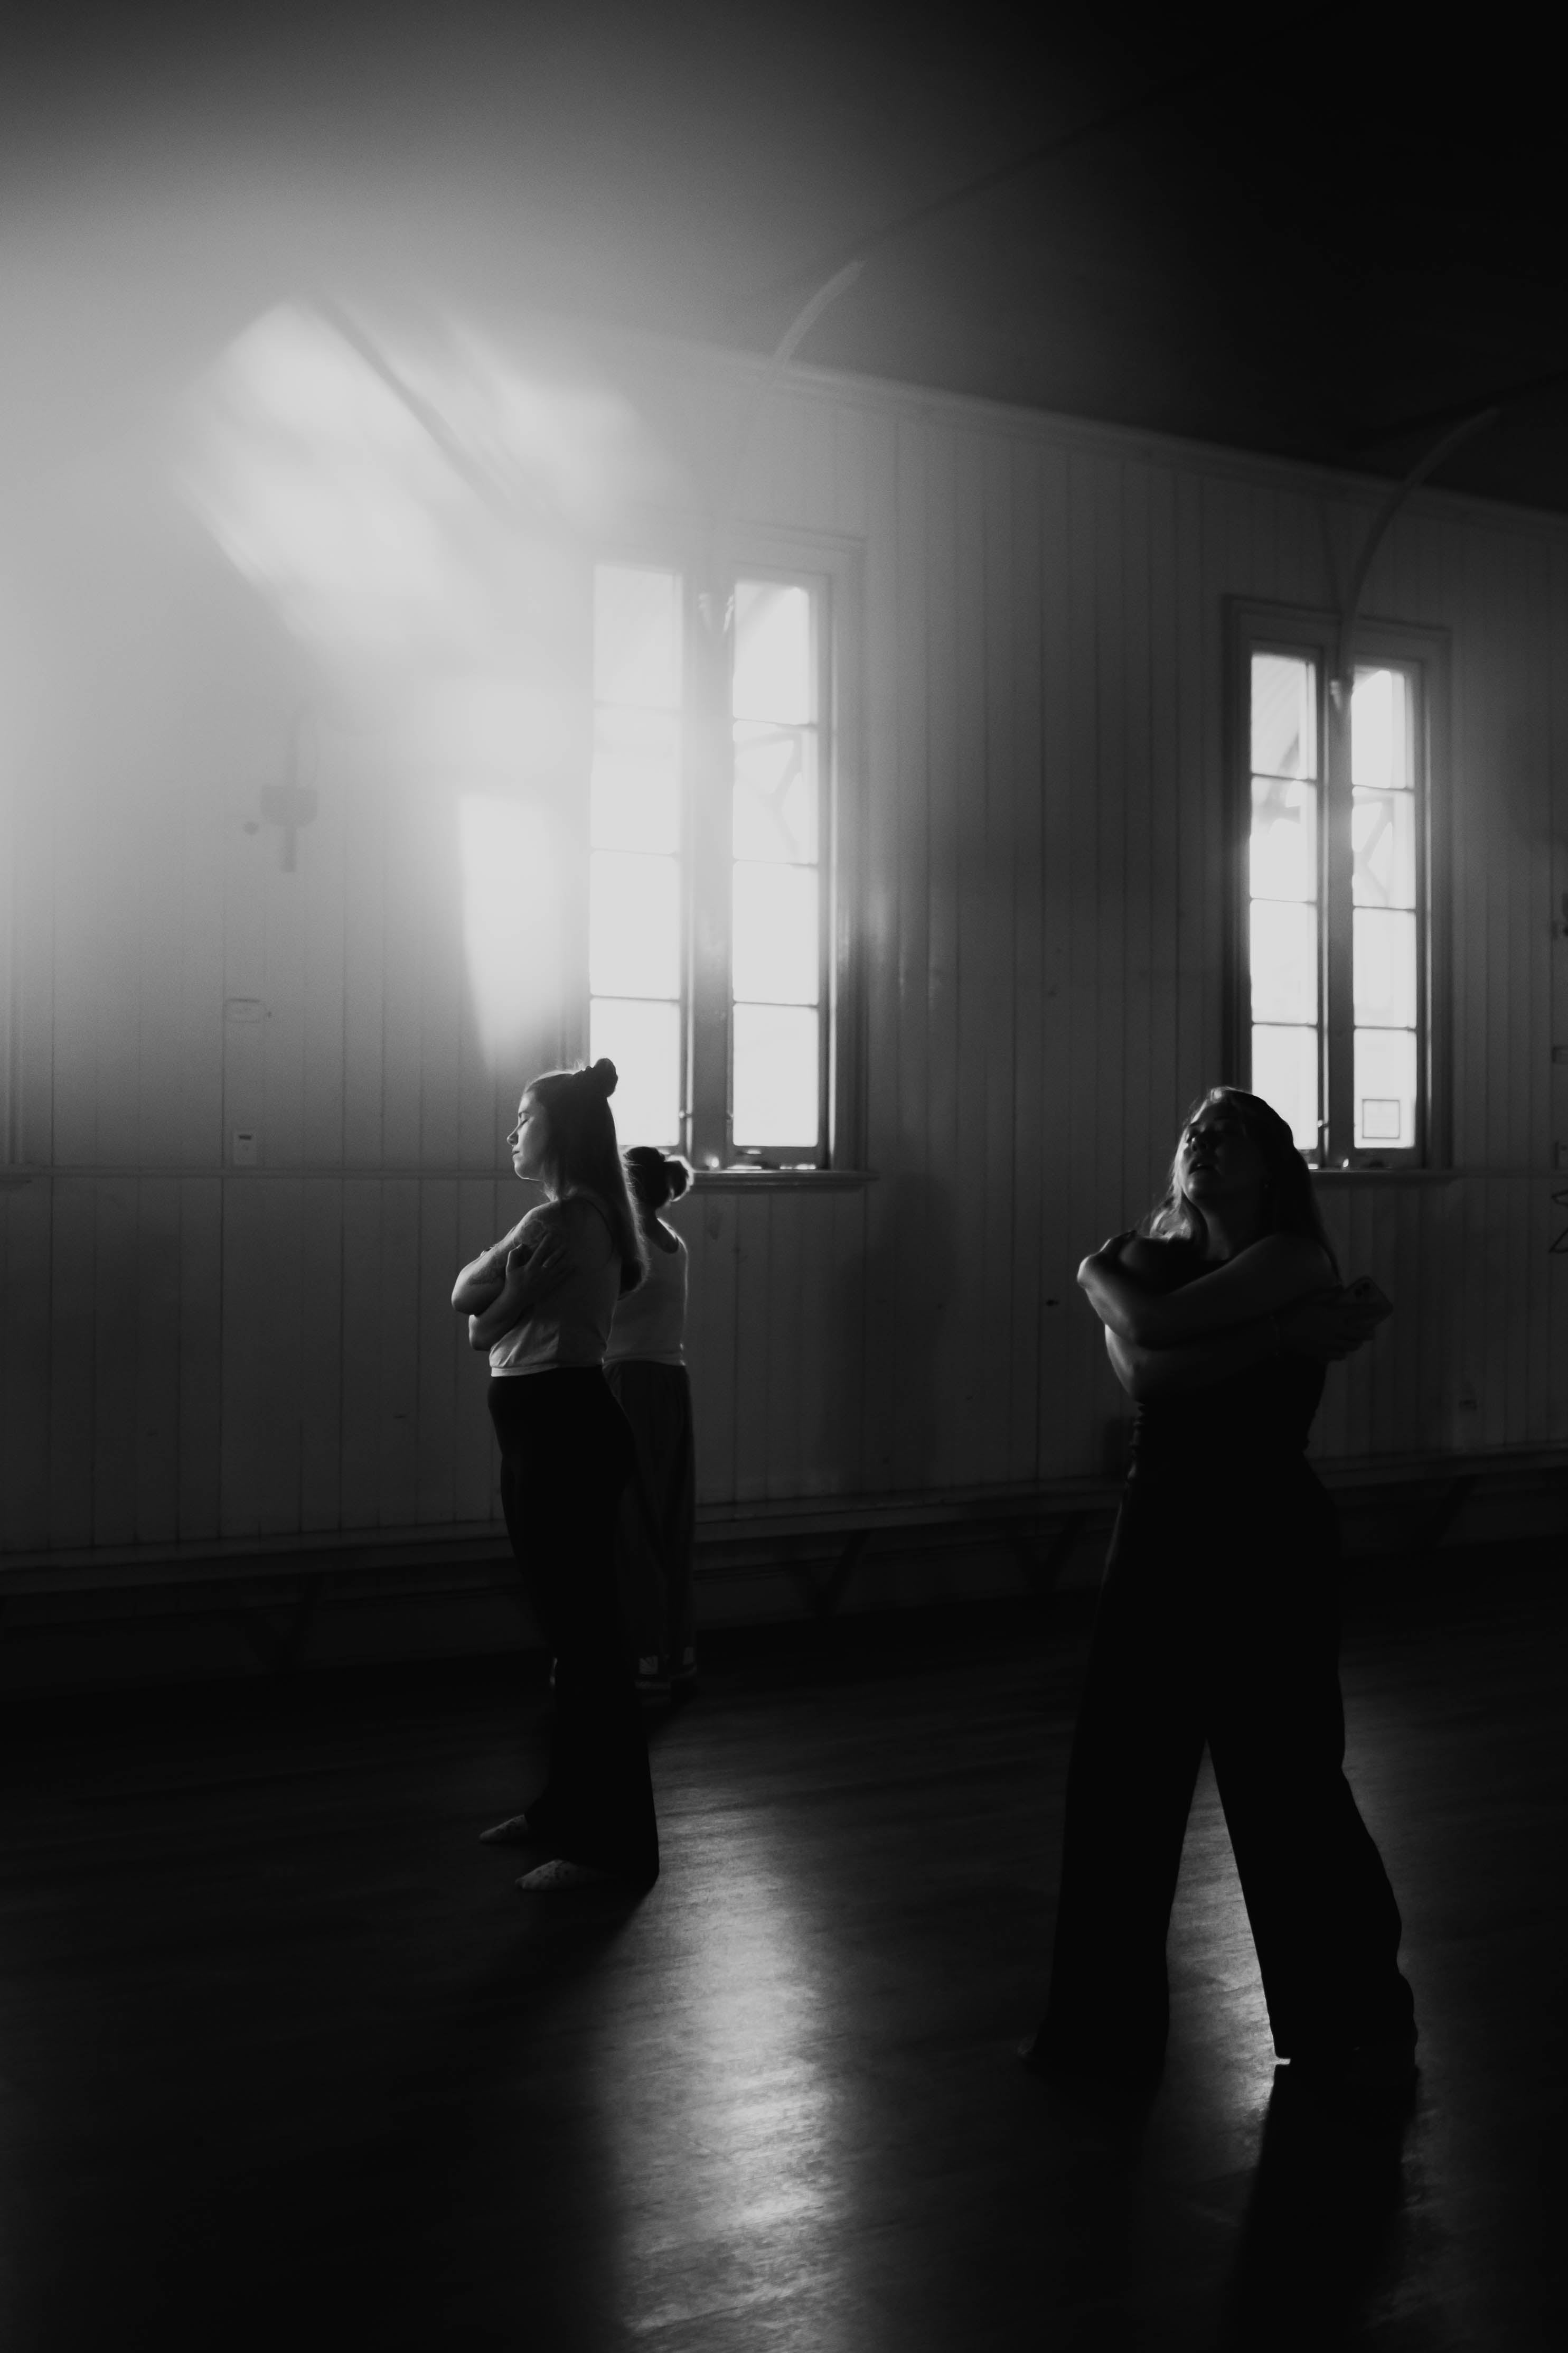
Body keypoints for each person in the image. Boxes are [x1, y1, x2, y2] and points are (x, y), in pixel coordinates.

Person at [1025, 1087, 1417, 2091]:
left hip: (1261, 1532)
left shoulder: (1289, 1258)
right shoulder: (1149, 1260)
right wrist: (1277, 1337)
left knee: (1285, 1776)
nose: (1202, 1141)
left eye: (1227, 1132)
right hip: (1156, 1528)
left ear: (1272, 1164)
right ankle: (1097, 2031)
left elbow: (1150, 1343)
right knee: (1120, 1780)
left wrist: (1097, 1274)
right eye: (1193, 1131)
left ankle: (1348, 2012)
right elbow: (1147, 1367)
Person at [449, 1058, 656, 1893]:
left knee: (589, 1647)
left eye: (524, 1116)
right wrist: (500, 1304)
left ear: (560, 1131)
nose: (512, 1131)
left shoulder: (568, 1221)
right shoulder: (565, 1216)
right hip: (545, 1430)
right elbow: (466, 1289)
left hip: (561, 1428)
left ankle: (612, 1847)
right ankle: (562, 1810)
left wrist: (496, 1312)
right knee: (572, 1644)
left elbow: (472, 1317)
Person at [605, 1147, 698, 1706]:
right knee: (668, 1519)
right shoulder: (674, 1242)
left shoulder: (626, 1243)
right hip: (670, 1381)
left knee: (630, 1522)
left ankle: (640, 1661)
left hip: (629, 1381)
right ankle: (674, 1654)